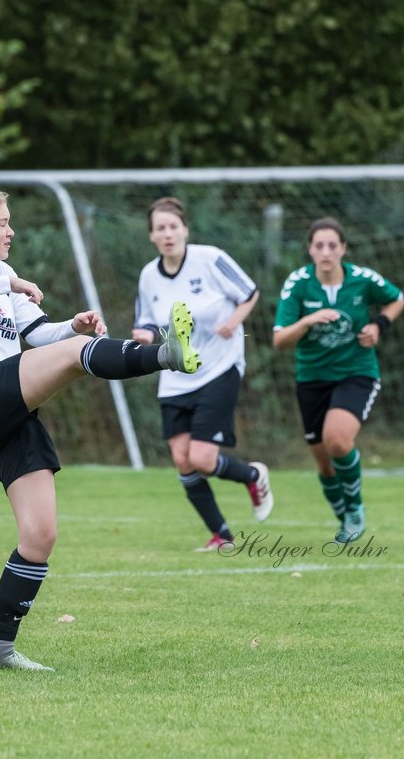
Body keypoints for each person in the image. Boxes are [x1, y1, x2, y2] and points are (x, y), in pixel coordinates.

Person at [0, 187, 202, 672]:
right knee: (75, 361)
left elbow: (36, 334)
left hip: (8, 407)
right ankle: (164, 354)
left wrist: (72, 326)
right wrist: (8, 287)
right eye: (2, 223)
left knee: (40, 536)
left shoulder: (2, 275)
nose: (11, 231)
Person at [131, 197, 272, 552]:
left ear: (185, 230)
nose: (167, 234)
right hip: (175, 374)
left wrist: (233, 322)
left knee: (203, 459)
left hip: (219, 367)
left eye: (173, 226)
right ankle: (222, 536)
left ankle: (253, 476)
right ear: (151, 236)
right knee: (182, 458)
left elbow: (250, 291)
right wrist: (143, 337)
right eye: (160, 228)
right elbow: (146, 320)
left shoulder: (210, 259)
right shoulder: (149, 275)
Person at [272, 217, 404, 544]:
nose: (326, 252)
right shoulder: (298, 284)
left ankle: (355, 509)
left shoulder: (361, 279)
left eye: (333, 245)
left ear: (343, 249)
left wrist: (378, 326)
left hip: (356, 372)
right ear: (310, 250)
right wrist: (308, 320)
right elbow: (279, 340)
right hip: (312, 379)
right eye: (319, 246)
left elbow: (397, 298)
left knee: (337, 441)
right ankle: (344, 515)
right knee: (322, 459)